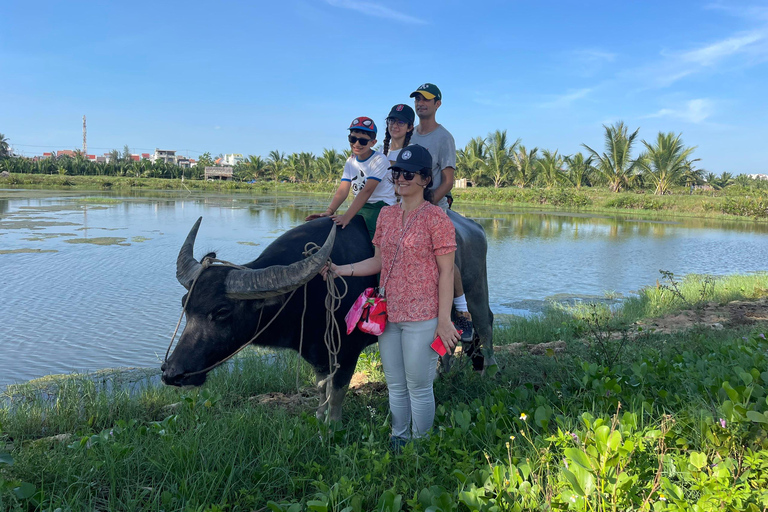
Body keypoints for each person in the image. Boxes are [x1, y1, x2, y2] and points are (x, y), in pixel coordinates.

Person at [323, 144, 459, 445]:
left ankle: (421, 446)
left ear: (425, 179)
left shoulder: (436, 218)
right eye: (396, 172)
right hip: (389, 313)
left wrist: (444, 320)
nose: (400, 178)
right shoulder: (385, 215)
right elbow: (379, 261)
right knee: (396, 385)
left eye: (408, 174)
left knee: (419, 386)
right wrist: (339, 269)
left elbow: (447, 272)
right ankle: (399, 440)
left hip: (423, 315)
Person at [409, 83, 473, 341]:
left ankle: (461, 311)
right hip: (407, 206)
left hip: (434, 208)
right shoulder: (409, 134)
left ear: (438, 104)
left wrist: (427, 204)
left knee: (446, 259)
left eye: (426, 99)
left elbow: (447, 180)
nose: (420, 103)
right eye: (417, 99)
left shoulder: (444, 137)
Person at [305, 117, 395, 239]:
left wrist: (346, 217)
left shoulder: (379, 159)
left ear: (373, 143)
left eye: (363, 141)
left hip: (381, 205)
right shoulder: (350, 161)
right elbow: (343, 190)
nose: (357, 144)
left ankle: (379, 257)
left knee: (375, 238)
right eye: (353, 139)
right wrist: (329, 211)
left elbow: (367, 191)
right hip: (362, 205)